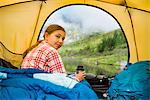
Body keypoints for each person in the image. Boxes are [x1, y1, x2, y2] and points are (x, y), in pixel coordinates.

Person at [21, 24, 86, 81]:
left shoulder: (36, 48)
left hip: (26, 82)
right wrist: (77, 78)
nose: (61, 41)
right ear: (46, 36)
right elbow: (63, 80)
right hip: (37, 85)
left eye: (63, 39)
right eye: (57, 36)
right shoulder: (51, 51)